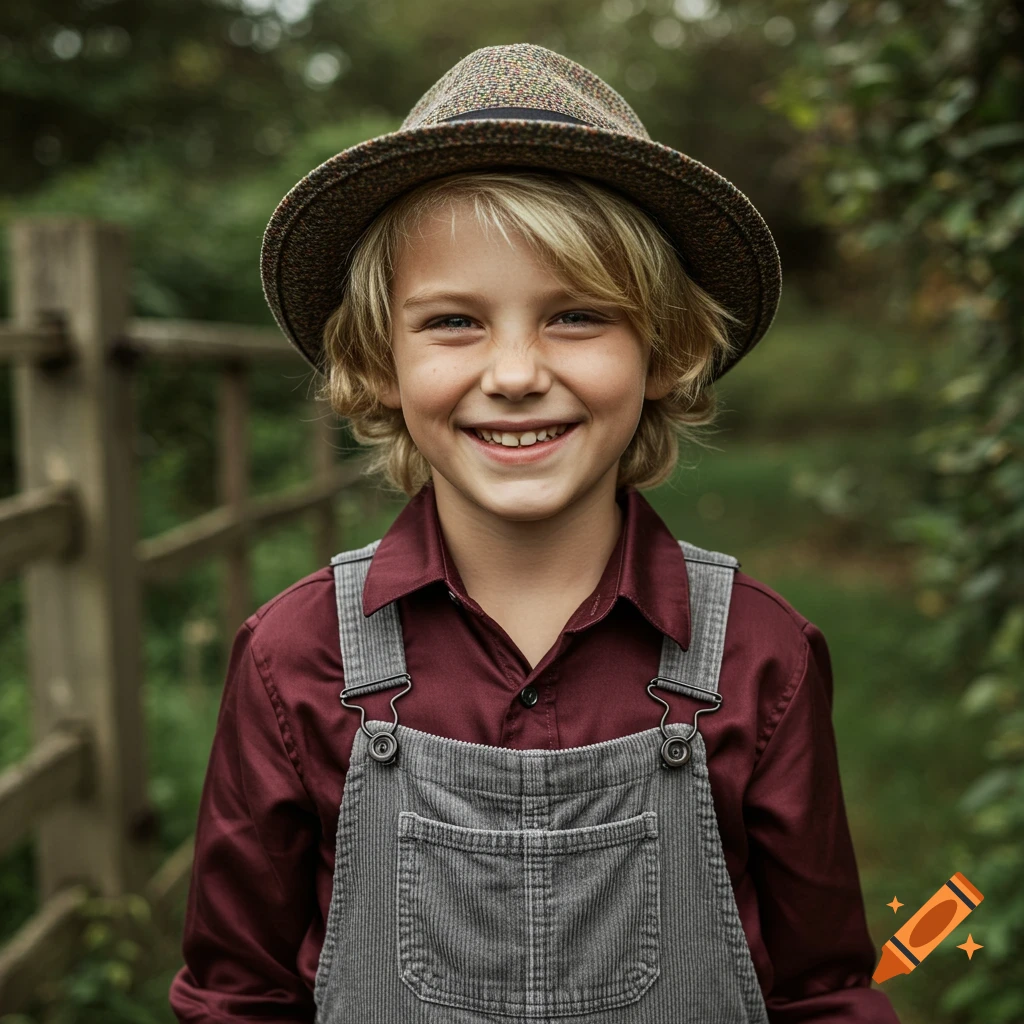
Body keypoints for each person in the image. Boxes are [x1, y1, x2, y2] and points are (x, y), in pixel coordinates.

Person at [169, 43, 900, 1023]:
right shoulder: (291, 660)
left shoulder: (760, 658)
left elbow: (823, 993)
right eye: (455, 323)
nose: (513, 372)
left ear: (664, 351)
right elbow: (236, 995)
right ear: (377, 360)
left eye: (576, 316)